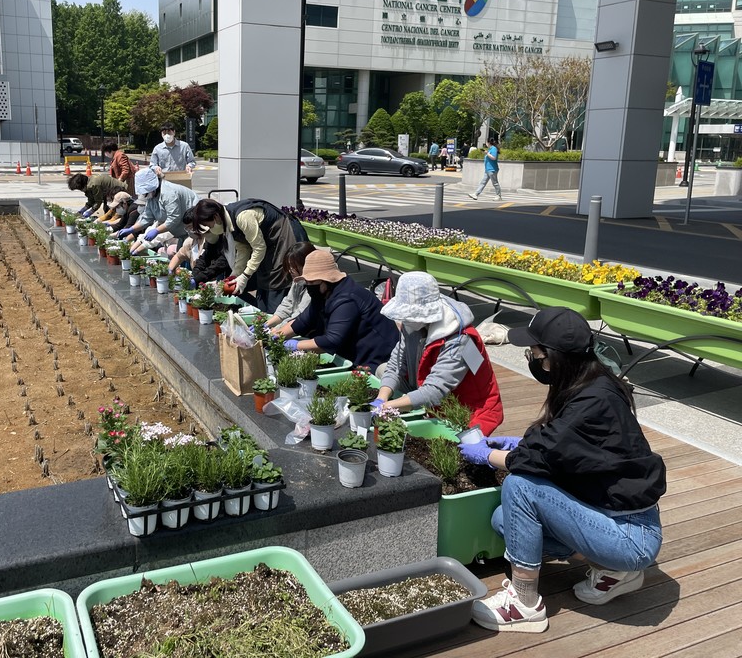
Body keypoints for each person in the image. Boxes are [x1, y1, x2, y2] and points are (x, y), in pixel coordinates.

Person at [459, 307, 665, 633]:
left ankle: (524, 604)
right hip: (609, 515)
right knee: (504, 521)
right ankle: (613, 570)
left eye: (536, 353)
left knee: (520, 486)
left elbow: (529, 461)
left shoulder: (593, 400)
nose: (532, 358)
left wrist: (484, 455)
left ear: (556, 356)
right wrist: (517, 442)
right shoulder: (590, 382)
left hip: (631, 536)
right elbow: (557, 447)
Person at [373, 272, 503, 435]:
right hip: (430, 388)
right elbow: (396, 364)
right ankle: (414, 411)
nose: (405, 320)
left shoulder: (460, 339)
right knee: (383, 371)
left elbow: (435, 390)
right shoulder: (414, 324)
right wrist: (381, 398)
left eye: (409, 315)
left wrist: (389, 406)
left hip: (467, 408)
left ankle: (417, 414)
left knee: (456, 449)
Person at [275, 250, 399, 372]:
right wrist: (275, 336)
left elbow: (331, 340)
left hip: (375, 359)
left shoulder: (347, 298)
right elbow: (302, 321)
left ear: (326, 281)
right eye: (307, 282)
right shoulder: (322, 294)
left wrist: (295, 346)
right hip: (353, 355)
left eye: (312, 281)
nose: (308, 286)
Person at [192, 198, 307, 312]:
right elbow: (243, 248)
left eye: (210, 226)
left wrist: (245, 276)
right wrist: (235, 274)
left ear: (216, 217)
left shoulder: (243, 217)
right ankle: (263, 317)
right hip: (268, 245)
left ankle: (276, 320)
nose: (211, 230)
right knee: (263, 280)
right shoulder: (228, 222)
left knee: (276, 281)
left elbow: (259, 248)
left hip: (283, 238)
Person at [117, 166, 199, 247]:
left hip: (194, 225)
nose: (144, 195)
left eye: (145, 192)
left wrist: (156, 231)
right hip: (183, 230)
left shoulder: (168, 193)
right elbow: (147, 217)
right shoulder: (151, 196)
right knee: (182, 253)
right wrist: (131, 229)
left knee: (190, 252)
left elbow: (173, 218)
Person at [167, 209, 231, 285]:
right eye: (186, 228)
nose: (189, 230)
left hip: (210, 279)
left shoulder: (209, 237)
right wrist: (170, 270)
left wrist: (197, 279)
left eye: (190, 227)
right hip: (200, 279)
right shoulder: (190, 242)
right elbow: (179, 256)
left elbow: (216, 265)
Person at [265, 241, 317, 330]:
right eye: (289, 266)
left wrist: (276, 330)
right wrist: (266, 324)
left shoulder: (315, 286)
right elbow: (287, 304)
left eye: (294, 266)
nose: (290, 270)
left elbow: (299, 316)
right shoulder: (298, 280)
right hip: (293, 326)